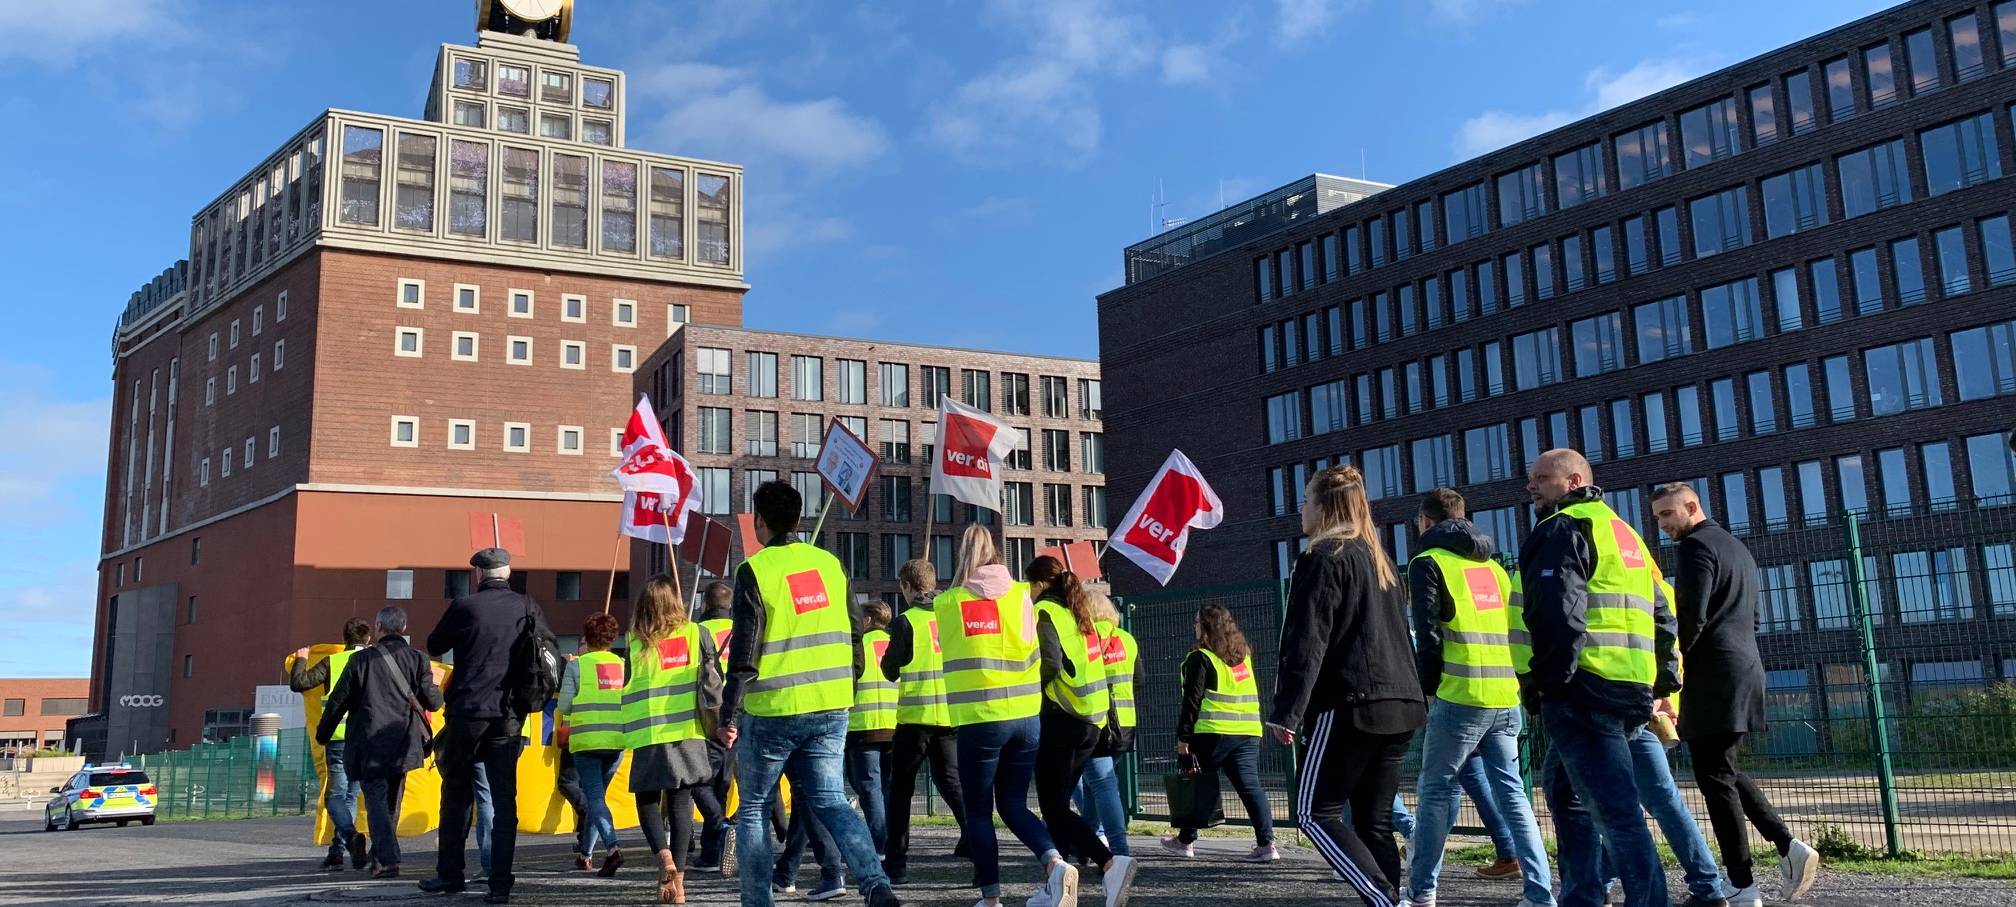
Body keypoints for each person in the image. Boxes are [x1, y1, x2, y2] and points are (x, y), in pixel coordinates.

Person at [718, 480, 899, 907]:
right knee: (833, 800)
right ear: (798, 519)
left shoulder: (755, 570)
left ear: (759, 522)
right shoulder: (830, 565)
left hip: (772, 709)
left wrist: (729, 712)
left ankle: (758, 901)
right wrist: (848, 682)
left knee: (755, 808)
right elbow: (855, 631)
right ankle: (875, 882)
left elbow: (744, 650)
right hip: (831, 705)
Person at [1518, 450, 1681, 907]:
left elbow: (1556, 613)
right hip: (1629, 690)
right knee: (1566, 793)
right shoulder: (1623, 532)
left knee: (1618, 814)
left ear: (1571, 481)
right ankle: (1583, 896)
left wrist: (1549, 682)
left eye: (1541, 478)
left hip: (1583, 692)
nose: (1531, 486)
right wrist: (1662, 684)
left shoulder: (1561, 529)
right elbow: (1662, 614)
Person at [1267, 465, 1426, 907]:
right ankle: (1393, 899)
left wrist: (1287, 712)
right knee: (1374, 821)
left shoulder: (1322, 557)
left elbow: (1306, 642)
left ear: (1323, 506)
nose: (1301, 510)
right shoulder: (1380, 558)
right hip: (1402, 703)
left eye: (1305, 501)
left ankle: (1386, 899)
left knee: (1312, 813)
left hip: (1352, 703)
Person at [1655, 483, 1817, 906]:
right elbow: (1754, 618)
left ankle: (1743, 885)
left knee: (1714, 778)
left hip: (1714, 675)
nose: (1663, 525)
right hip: (1745, 667)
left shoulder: (1694, 549)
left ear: (1692, 507)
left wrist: (1669, 676)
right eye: (1658, 518)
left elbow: (1690, 617)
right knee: (1720, 771)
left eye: (1668, 514)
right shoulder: (1737, 549)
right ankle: (1787, 848)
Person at [1399, 488, 1553, 907]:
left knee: (1434, 792)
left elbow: (1427, 637)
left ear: (1426, 522)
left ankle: (1421, 892)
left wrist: (1427, 689)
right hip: (1505, 697)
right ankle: (1540, 895)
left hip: (1458, 695)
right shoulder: (1496, 570)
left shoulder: (1427, 563)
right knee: (1514, 796)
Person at [936, 525, 1079, 907]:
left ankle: (992, 899)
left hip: (981, 718)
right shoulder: (1022, 598)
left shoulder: (948, 603)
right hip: (1026, 717)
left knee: (979, 812)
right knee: (1014, 803)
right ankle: (1054, 862)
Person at [421, 547, 553, 904]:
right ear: (508, 574)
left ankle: (451, 875)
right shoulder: (528, 606)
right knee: (503, 799)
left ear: (479, 574)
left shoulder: (465, 607)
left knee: (456, 793)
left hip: (466, 712)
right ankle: (500, 883)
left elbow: (434, 645)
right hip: (509, 715)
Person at [1029, 556, 1140, 906]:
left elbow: (1049, 661)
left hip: (1063, 717)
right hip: (1092, 720)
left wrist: (1025, 688)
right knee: (1059, 804)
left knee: (1054, 806)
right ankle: (1060, 883)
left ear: (1040, 584)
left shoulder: (1046, 611)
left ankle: (1110, 862)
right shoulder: (1079, 613)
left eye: (1030, 586)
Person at [316, 607, 443, 879]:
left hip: (369, 742)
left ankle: (386, 859)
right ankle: (380, 857)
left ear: (378, 627)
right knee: (391, 803)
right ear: (404, 627)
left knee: (375, 799)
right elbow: (433, 701)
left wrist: (323, 734)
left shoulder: (361, 661)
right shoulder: (418, 659)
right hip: (404, 743)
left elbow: (338, 702)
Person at [624, 575, 723, 904]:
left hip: (647, 731)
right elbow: (713, 681)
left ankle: (663, 857)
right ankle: (678, 883)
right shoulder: (696, 633)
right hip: (686, 731)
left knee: (647, 801)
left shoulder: (635, 641)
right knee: (681, 804)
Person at [1161, 603, 1276, 865]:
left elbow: (1192, 701)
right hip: (1247, 732)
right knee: (1250, 786)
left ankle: (1185, 841)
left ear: (1205, 627)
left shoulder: (1201, 657)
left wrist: (1183, 739)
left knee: (1197, 784)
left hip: (1212, 732)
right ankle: (1267, 844)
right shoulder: (1243, 654)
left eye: (1196, 622)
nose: (1194, 626)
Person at [879, 558, 969, 885]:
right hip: (948, 716)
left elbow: (890, 669)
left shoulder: (906, 622)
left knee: (901, 792)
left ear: (907, 586)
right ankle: (975, 839)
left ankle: (897, 864)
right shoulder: (951, 616)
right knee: (953, 784)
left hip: (915, 719)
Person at [290, 616, 374, 872]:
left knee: (335, 797)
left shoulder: (333, 661)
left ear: (344, 640)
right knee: (350, 795)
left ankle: (348, 838)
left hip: (338, 738)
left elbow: (300, 683)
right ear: (368, 639)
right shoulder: (375, 661)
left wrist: (302, 658)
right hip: (366, 738)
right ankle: (338, 851)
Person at [559, 612, 627, 877]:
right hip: (616, 740)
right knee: (599, 801)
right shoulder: (623, 665)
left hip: (587, 740)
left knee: (595, 799)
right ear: (612, 638)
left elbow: (564, 705)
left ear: (587, 637)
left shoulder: (577, 666)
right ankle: (586, 855)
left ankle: (613, 849)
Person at [1073, 591, 1136, 858]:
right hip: (1125, 724)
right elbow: (1139, 680)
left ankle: (1119, 851)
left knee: (1102, 786)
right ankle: (1086, 846)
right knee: (1094, 787)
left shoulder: (1084, 639)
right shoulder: (1127, 640)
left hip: (1095, 721)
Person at [691, 581, 744, 875]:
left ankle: (717, 836)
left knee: (696, 779)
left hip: (707, 714)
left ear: (706, 605)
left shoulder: (700, 632)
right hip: (738, 711)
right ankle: (712, 852)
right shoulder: (741, 629)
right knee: (722, 782)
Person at [848, 601, 898, 858]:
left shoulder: (858, 646)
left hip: (864, 725)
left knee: (869, 788)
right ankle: (890, 840)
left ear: (867, 620)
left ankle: (879, 844)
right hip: (894, 724)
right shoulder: (894, 643)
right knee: (887, 787)